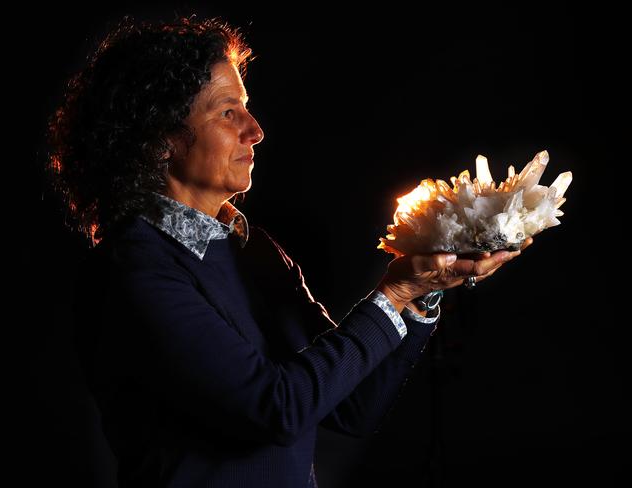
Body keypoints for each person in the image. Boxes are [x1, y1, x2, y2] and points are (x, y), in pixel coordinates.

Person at [44, 15, 531, 488]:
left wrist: (423, 293)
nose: (255, 130)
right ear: (159, 140)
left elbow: (351, 405)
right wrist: (397, 288)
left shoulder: (252, 249)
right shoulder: (133, 270)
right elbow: (276, 409)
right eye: (227, 112)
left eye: (247, 108)